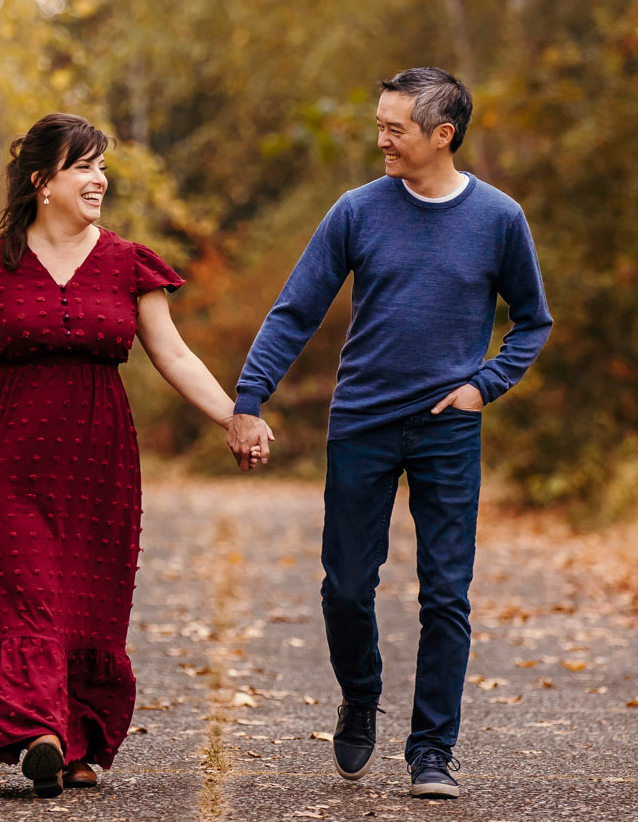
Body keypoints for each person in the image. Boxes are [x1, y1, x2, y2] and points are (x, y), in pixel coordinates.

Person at [225, 67, 551, 800]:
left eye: (395, 127)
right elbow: (295, 310)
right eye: (379, 124)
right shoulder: (356, 210)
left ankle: (432, 750)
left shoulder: (499, 218)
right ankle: (361, 692)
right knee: (345, 586)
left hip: (448, 430)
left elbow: (534, 320)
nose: (381, 139)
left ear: (443, 134)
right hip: (363, 422)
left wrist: (484, 385)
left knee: (446, 595)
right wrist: (249, 398)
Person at [0, 112, 266, 798]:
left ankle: (78, 743)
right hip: (11, 457)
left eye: (100, 165)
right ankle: (38, 731)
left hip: (99, 461)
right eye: (82, 165)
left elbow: (171, 352)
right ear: (41, 180)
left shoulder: (126, 261)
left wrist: (236, 415)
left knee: (88, 603)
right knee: (24, 597)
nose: (98, 179)